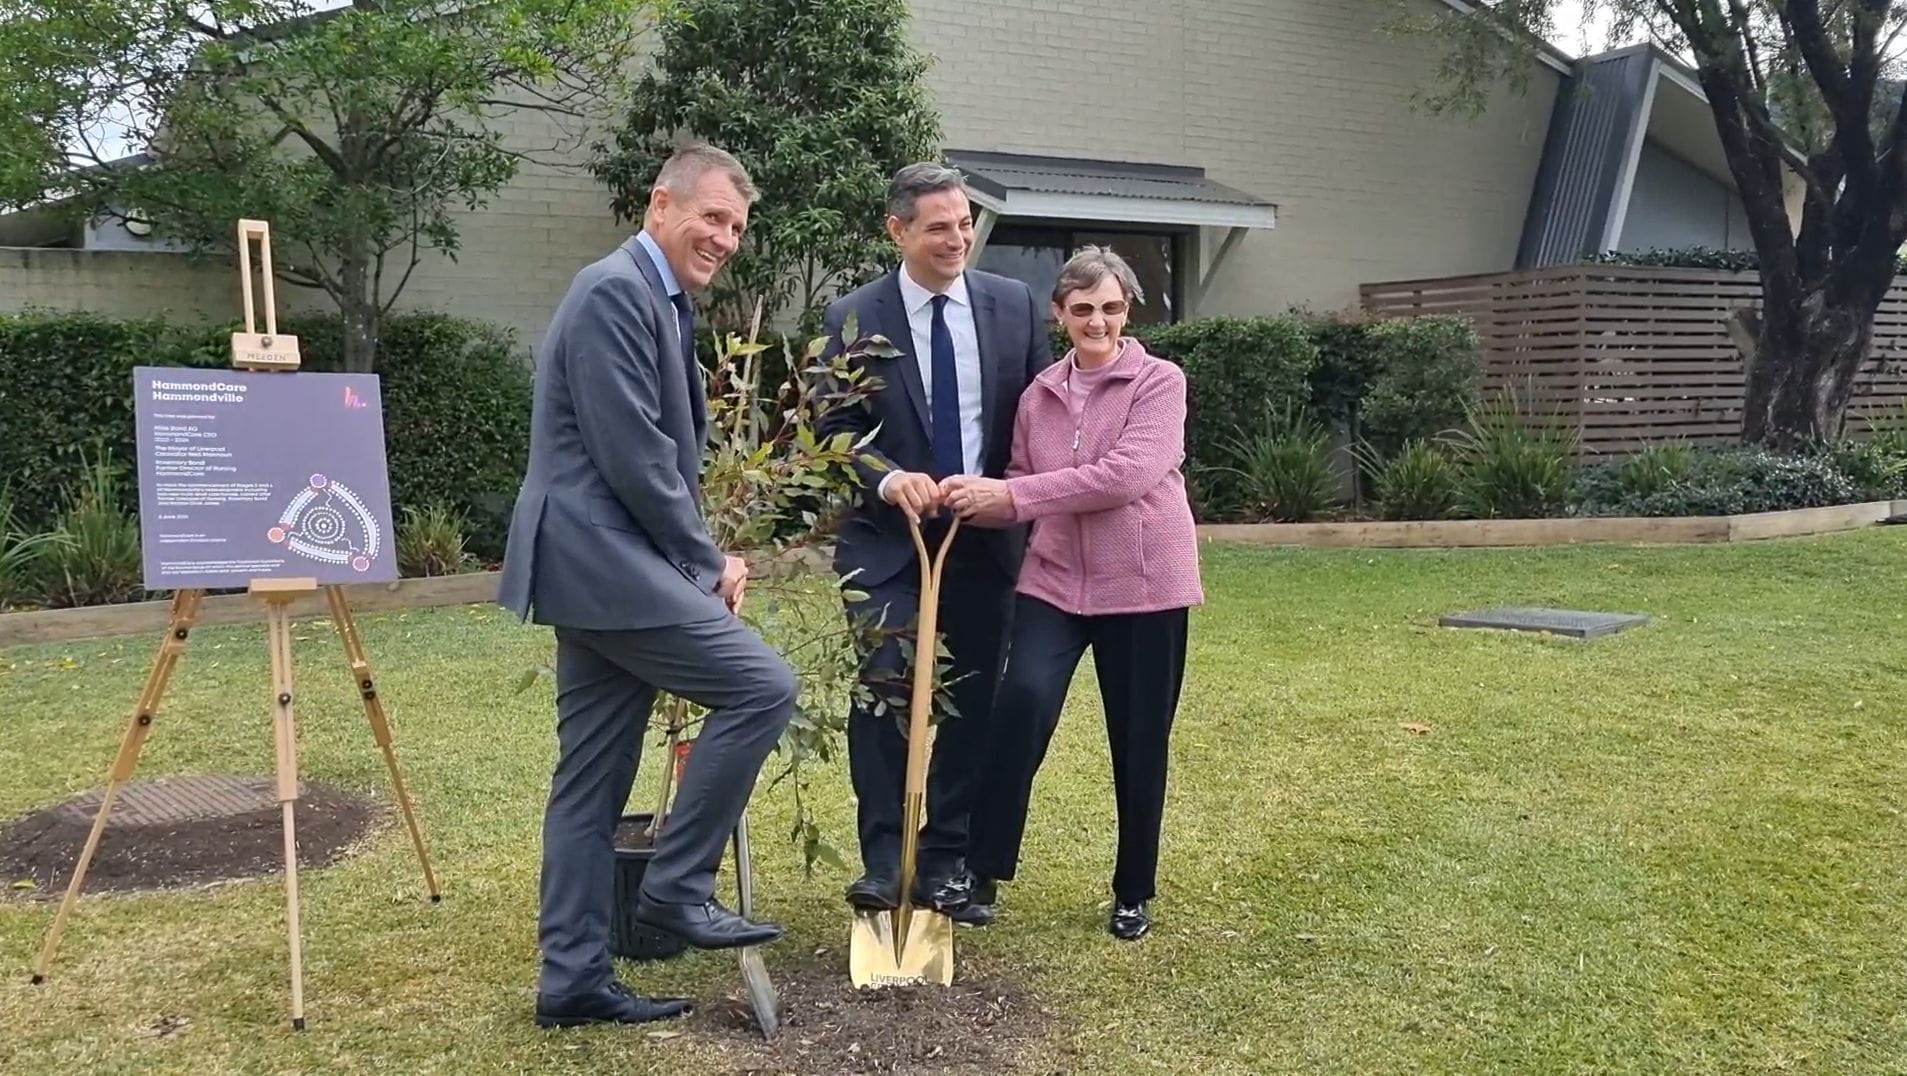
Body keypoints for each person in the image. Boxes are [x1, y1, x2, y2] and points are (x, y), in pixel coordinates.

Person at [498, 143, 797, 1028]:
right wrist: (706, 562)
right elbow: (634, 456)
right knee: (760, 685)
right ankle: (673, 889)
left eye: (736, 227)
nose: (725, 239)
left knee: (589, 782)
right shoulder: (614, 291)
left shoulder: (660, 299)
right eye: (711, 217)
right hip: (599, 558)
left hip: (599, 566)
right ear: (659, 203)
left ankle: (573, 980)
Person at [941, 245, 1202, 941]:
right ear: (1059, 314)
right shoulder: (1038, 395)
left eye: (1111, 308)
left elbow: (1123, 475)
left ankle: (1132, 889)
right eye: (1083, 308)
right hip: (1055, 580)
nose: (1098, 321)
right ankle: (982, 867)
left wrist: (1014, 493)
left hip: (1144, 585)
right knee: (1019, 702)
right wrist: (959, 497)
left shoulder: (1159, 382)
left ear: (1127, 311)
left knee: (1139, 737)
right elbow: (1020, 483)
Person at [817, 162, 1052, 923]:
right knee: (887, 685)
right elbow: (832, 432)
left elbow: (1039, 421)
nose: (955, 239)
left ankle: (945, 857)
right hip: (887, 545)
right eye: (937, 227)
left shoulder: (1011, 306)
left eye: (963, 225)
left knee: (973, 699)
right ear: (897, 231)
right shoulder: (854, 317)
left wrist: (1011, 494)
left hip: (984, 542)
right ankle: (885, 860)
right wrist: (889, 480)